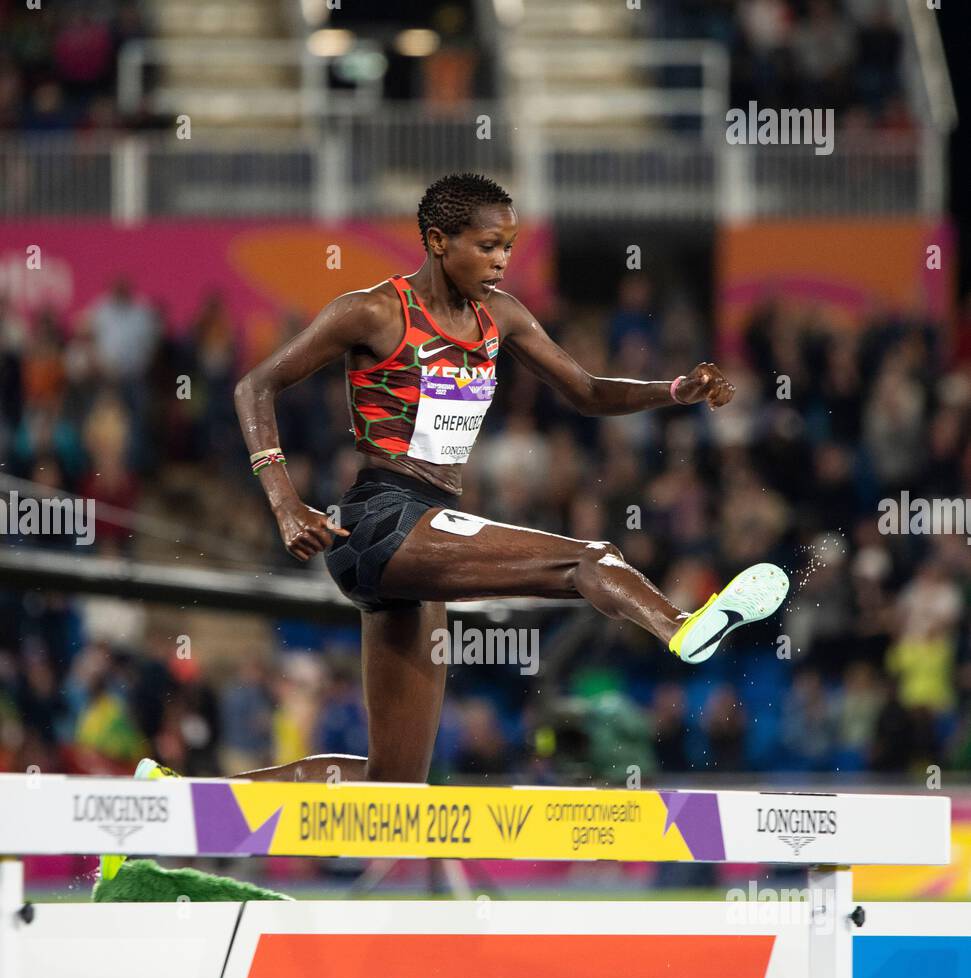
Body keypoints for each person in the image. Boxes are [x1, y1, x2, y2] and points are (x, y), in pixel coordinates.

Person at [185, 173, 788, 790]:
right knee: (593, 557)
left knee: (392, 792)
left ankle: (182, 800)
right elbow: (253, 386)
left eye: (509, 246)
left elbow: (586, 391)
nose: (503, 261)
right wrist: (285, 504)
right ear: (438, 240)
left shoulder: (502, 316)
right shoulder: (371, 311)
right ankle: (681, 627)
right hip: (380, 520)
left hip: (418, 547)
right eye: (488, 245)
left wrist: (674, 389)